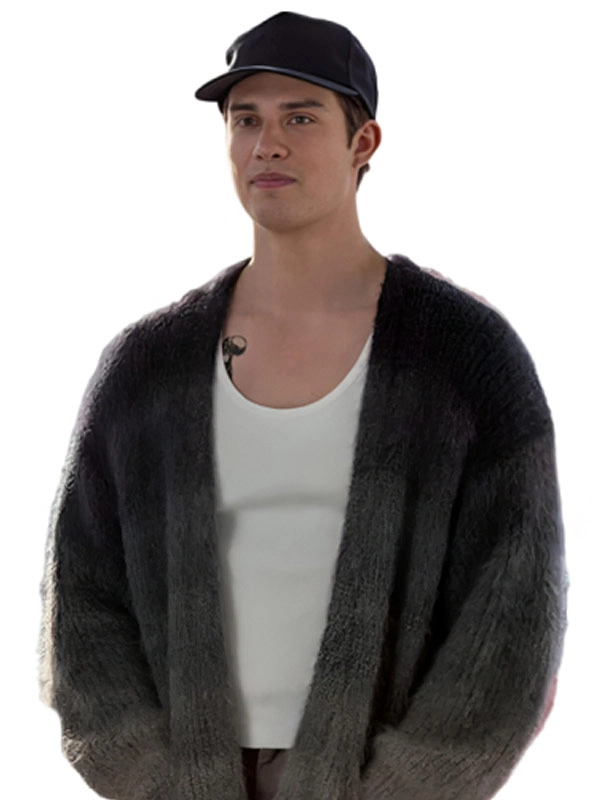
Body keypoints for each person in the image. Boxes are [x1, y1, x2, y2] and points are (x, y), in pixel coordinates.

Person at [37, 11, 568, 800]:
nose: (268, 144)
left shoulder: (462, 357)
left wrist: (404, 790)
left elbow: (512, 613)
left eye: (300, 117)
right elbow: (81, 603)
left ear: (364, 143)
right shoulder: (147, 368)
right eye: (245, 120)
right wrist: (154, 782)